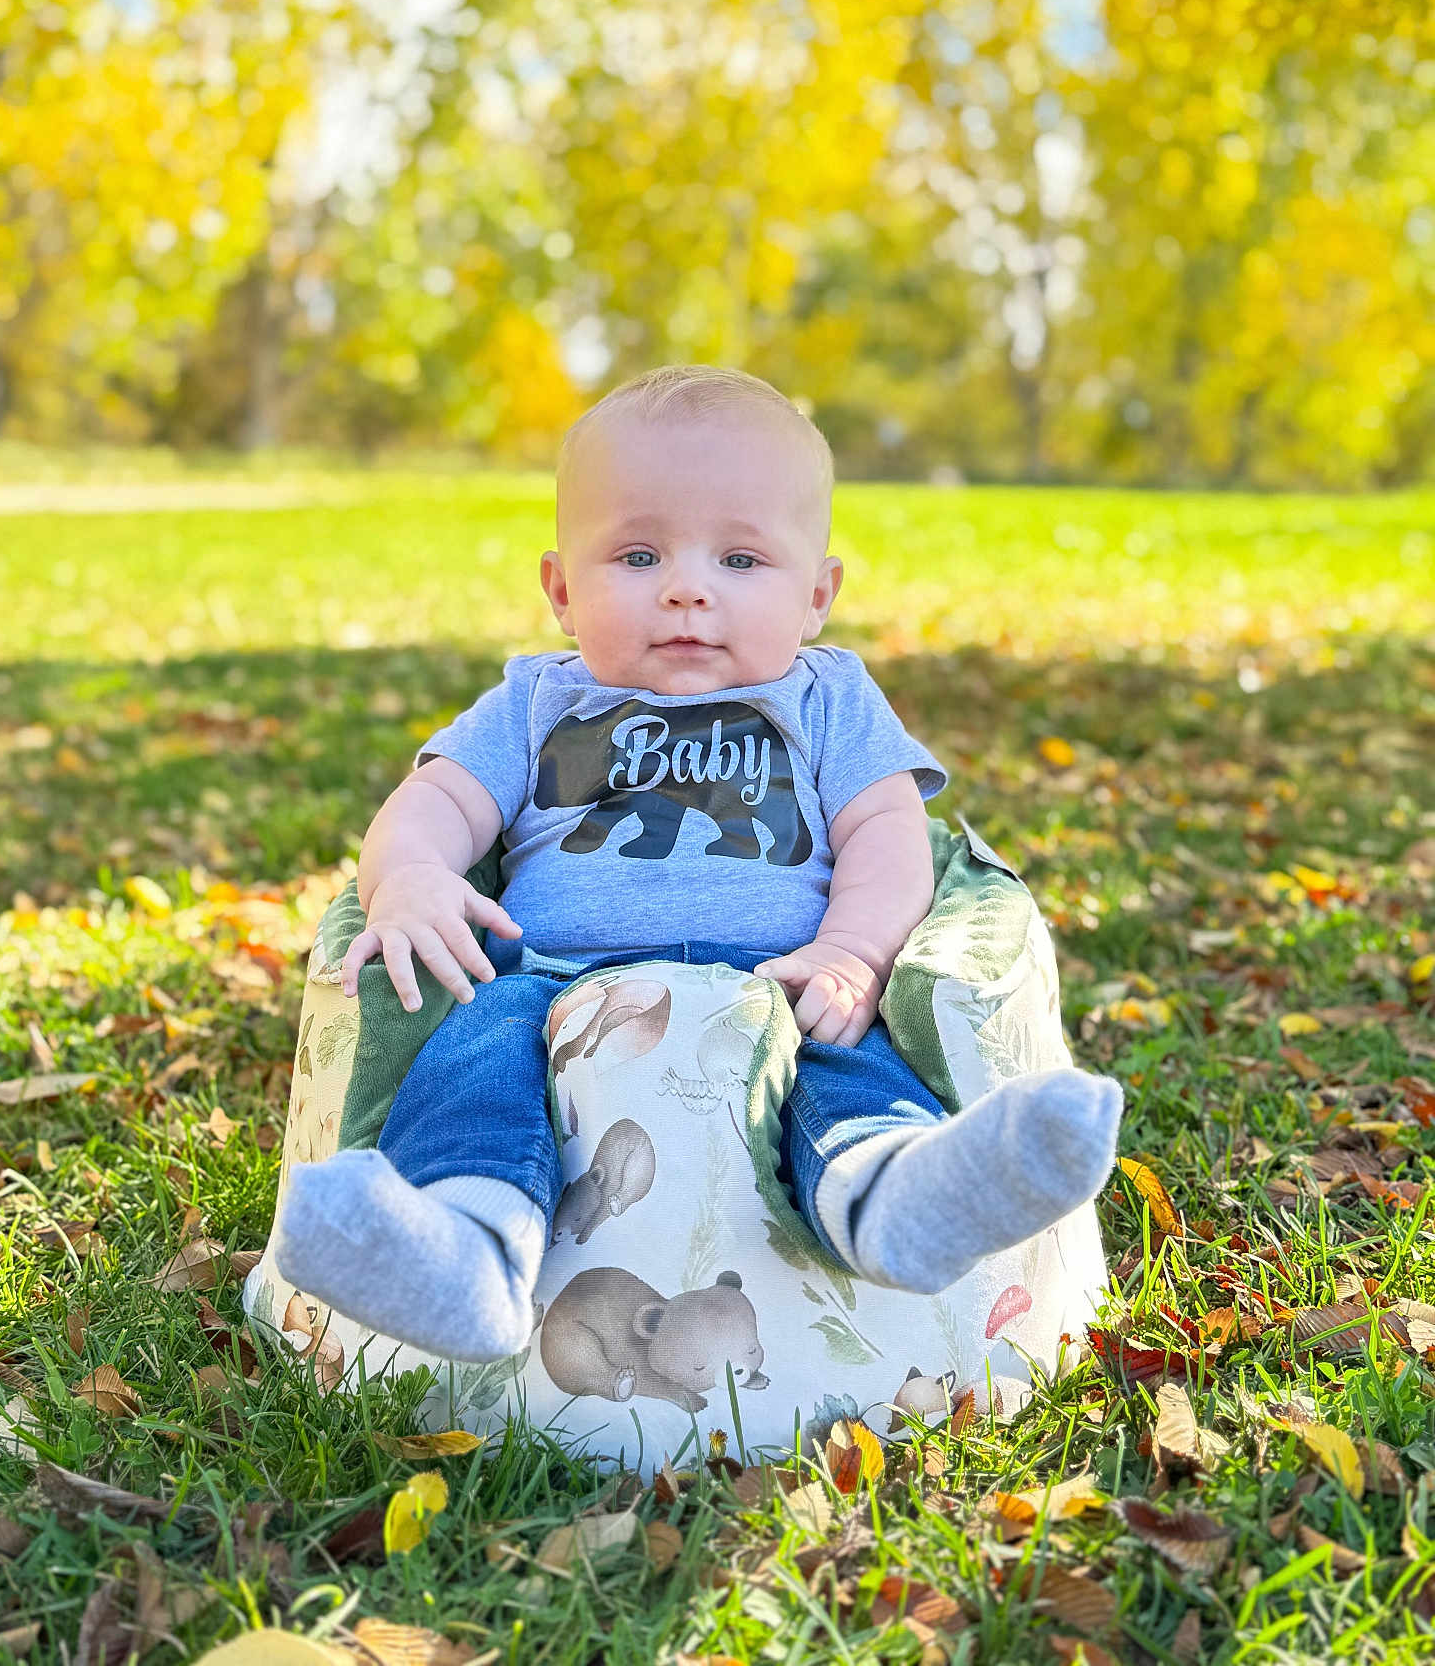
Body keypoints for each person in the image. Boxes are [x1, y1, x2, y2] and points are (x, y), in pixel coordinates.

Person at [272, 366, 1122, 1363]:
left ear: (817, 595)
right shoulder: (536, 701)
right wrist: (410, 878)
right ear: (559, 589)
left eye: (741, 559)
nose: (686, 586)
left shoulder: (827, 699)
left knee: (844, 1059)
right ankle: (467, 1247)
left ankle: (896, 1194)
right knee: (472, 1046)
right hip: (549, 977)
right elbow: (434, 803)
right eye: (636, 554)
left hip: (778, 974)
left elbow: (892, 837)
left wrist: (852, 952)